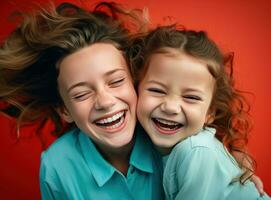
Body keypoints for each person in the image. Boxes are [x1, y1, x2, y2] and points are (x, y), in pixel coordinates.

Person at [0, 2, 164, 199]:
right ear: (64, 110)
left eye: (116, 81)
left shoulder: (175, 142)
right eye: (81, 94)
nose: (105, 102)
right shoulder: (57, 166)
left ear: (135, 82)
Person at [131, 25, 271, 199]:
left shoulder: (196, 151)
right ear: (136, 88)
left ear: (210, 113)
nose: (170, 107)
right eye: (157, 90)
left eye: (191, 97)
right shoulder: (139, 139)